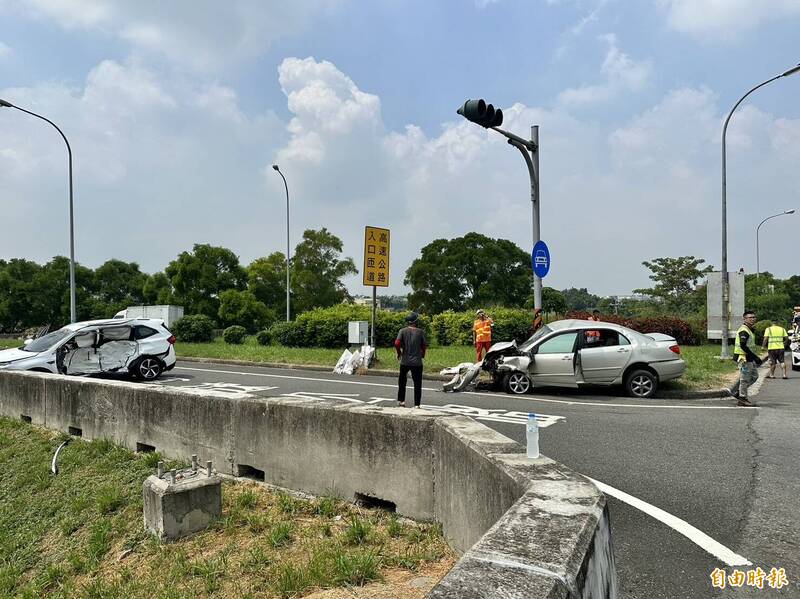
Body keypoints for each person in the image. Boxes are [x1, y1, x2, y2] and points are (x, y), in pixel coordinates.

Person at [395, 312, 428, 408]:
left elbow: (397, 343)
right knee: (417, 383)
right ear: (416, 321)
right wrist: (422, 355)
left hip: (405, 361)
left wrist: (399, 353)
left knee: (402, 381)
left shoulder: (402, 331)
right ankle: (417, 404)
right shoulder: (420, 332)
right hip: (417, 362)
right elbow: (424, 345)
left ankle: (401, 401)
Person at [733, 310, 763, 406]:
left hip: (749, 358)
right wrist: (755, 357)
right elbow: (742, 345)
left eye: (754, 317)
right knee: (744, 379)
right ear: (744, 319)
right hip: (743, 358)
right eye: (750, 317)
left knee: (754, 376)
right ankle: (742, 398)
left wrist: (753, 357)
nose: (752, 319)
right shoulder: (744, 330)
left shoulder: (749, 329)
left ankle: (739, 392)